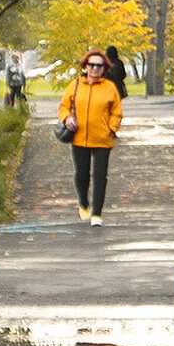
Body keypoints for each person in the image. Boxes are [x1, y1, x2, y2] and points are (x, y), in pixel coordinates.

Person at [58, 50, 123, 227]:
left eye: (99, 65)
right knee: (81, 175)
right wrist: (67, 118)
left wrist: (111, 129)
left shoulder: (109, 88)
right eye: (91, 65)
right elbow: (64, 105)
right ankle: (83, 203)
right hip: (79, 138)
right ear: (85, 66)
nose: (95, 68)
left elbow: (117, 112)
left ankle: (97, 213)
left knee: (100, 176)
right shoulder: (76, 85)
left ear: (104, 68)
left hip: (102, 139)